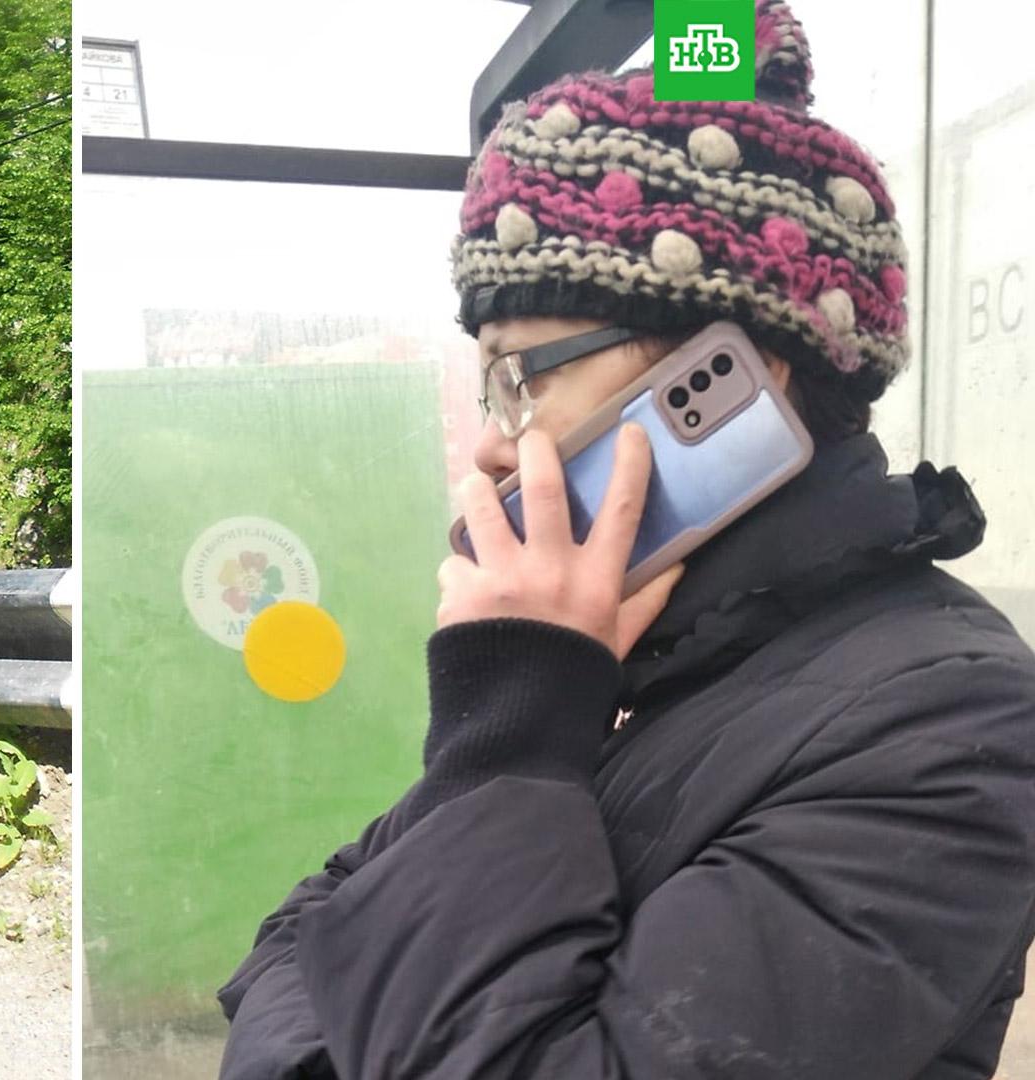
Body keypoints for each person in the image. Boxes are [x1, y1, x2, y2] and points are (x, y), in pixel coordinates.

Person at [217, 2, 1035, 1076]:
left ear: (731, 385)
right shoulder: (622, 652)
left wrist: (510, 736)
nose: (493, 445)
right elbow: (290, 939)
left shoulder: (948, 724)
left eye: (521, 377)